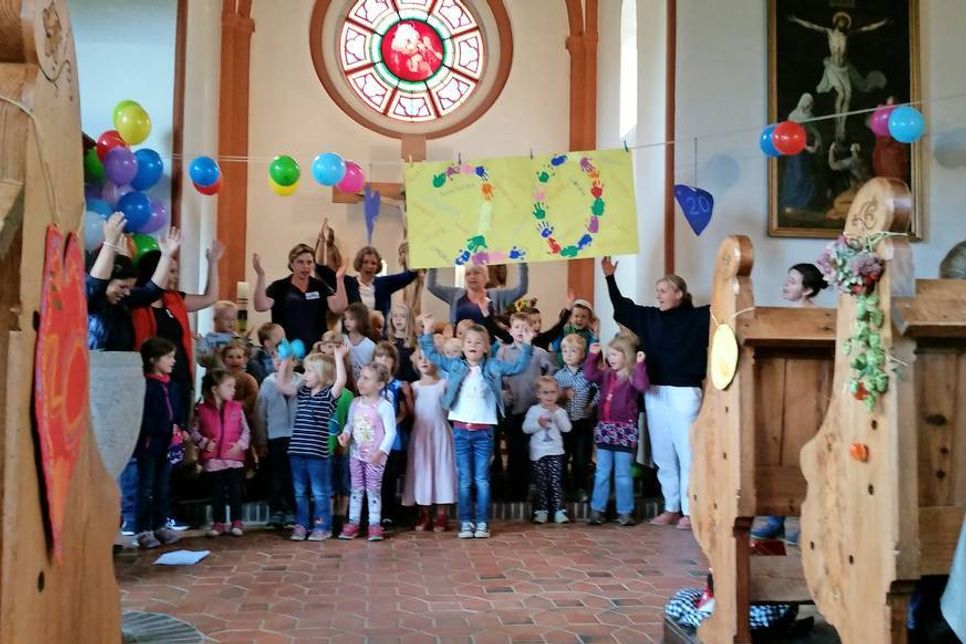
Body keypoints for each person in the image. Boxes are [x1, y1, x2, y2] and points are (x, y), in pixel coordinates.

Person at [602, 256, 710, 531]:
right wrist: (610, 278)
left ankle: (690, 510)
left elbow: (729, 305)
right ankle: (671, 507)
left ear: (679, 294)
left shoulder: (699, 317)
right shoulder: (650, 317)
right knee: (662, 455)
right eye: (657, 290)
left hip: (685, 391)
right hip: (654, 392)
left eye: (663, 290)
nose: (658, 295)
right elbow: (622, 308)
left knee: (687, 453)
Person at [417, 313, 534, 539]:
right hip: (461, 431)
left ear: (486, 347)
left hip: (484, 433)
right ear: (463, 346)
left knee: (481, 479)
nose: (473, 345)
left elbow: (518, 366)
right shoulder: (454, 365)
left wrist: (527, 344)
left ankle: (482, 522)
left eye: (478, 342)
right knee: (465, 479)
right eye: (469, 342)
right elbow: (432, 354)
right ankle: (465, 523)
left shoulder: (492, 367)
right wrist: (427, 332)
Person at [752, 264, 829, 542]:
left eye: (793, 281)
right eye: (786, 279)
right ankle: (776, 520)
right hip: (779, 391)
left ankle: (807, 523)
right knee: (776, 453)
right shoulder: (779, 316)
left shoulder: (820, 318)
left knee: (805, 455)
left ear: (808, 289)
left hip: (810, 392)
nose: (785, 285)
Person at [276, 348, 348, 542]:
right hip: (297, 452)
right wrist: (285, 361)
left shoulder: (328, 396)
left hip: (318, 455)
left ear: (323, 375)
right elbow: (282, 386)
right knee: (299, 492)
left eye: (309, 371)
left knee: (320, 492)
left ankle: (322, 526)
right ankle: (301, 524)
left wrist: (338, 358)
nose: (304, 375)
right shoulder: (303, 392)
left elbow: (340, 381)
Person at [787, 11, 888, 141]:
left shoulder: (848, 34)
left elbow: (866, 28)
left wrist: (882, 23)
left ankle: (842, 124)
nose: (843, 23)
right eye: (841, 21)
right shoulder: (829, 32)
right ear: (837, 22)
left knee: (849, 94)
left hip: (844, 68)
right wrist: (796, 20)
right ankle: (837, 123)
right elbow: (812, 26)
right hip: (833, 68)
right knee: (841, 93)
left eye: (845, 22)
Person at [86, 214, 180, 351]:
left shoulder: (123, 300)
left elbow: (151, 292)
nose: (127, 292)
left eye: (129, 287)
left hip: (123, 365)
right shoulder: (93, 299)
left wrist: (166, 256)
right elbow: (96, 283)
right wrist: (110, 242)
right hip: (98, 366)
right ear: (108, 281)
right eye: (122, 286)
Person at [584, 336, 649, 527]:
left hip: (625, 430)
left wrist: (640, 365)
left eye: (615, 354)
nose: (611, 358)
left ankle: (625, 511)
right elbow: (589, 375)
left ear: (625, 356)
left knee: (623, 473)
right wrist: (592, 356)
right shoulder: (606, 374)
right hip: (605, 428)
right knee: (602, 471)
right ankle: (597, 510)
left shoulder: (631, 376)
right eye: (609, 354)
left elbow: (643, 385)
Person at [498, 312, 556, 498]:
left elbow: (552, 373)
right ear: (510, 330)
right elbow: (496, 377)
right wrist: (502, 392)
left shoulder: (539, 353)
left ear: (533, 330)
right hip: (513, 408)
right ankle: (515, 490)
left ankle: (535, 489)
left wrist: (547, 393)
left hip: (534, 409)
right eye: (517, 327)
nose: (521, 331)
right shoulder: (503, 352)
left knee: (534, 450)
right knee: (515, 450)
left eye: (525, 328)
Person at [133, 337, 184, 549]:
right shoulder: (145, 385)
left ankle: (161, 525)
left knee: (163, 486)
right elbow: (144, 417)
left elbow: (178, 411)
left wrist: (180, 427)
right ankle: (143, 530)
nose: (173, 361)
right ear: (154, 360)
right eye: (169, 357)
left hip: (168, 445)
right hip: (150, 444)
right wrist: (163, 429)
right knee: (146, 488)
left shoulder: (172, 386)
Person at [338, 363, 397, 542]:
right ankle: (354, 522)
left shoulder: (384, 406)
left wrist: (381, 452)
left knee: (373, 490)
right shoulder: (355, 403)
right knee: (356, 488)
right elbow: (350, 424)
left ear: (379, 385)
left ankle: (374, 523)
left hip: (375, 457)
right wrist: (346, 434)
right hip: (356, 455)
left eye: (366, 378)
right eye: (360, 377)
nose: (360, 381)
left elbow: (391, 432)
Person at [190, 368, 250, 537]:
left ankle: (237, 521)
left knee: (235, 491)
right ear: (215, 389)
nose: (234, 390)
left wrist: (240, 445)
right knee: (216, 493)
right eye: (229, 386)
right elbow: (193, 431)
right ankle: (219, 523)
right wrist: (203, 443)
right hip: (213, 461)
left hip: (234, 459)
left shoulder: (237, 408)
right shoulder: (200, 410)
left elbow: (245, 430)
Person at [402, 348, 457, 532]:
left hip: (440, 432)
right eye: (420, 358)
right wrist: (408, 396)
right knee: (422, 472)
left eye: (428, 358)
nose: (424, 361)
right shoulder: (415, 386)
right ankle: (424, 513)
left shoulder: (444, 384)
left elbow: (450, 409)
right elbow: (412, 413)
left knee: (442, 470)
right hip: (421, 435)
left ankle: (442, 513)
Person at [253, 245, 347, 350]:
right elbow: (260, 306)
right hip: (287, 350)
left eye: (309, 262)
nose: (305, 266)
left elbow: (339, 308)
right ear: (292, 264)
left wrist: (340, 280)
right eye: (300, 262)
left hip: (316, 350)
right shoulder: (279, 286)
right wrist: (261, 275)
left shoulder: (319, 286)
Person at [316, 331, 355, 536]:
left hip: (343, 447)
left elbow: (351, 420)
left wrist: (346, 441)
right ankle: (328, 518)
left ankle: (341, 517)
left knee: (344, 482)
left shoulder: (347, 395)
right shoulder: (319, 395)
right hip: (324, 449)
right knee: (328, 484)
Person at [372, 342, 412, 531]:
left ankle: (387, 513)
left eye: (387, 358)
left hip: (392, 440)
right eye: (379, 357)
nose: (383, 361)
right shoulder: (369, 383)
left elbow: (403, 412)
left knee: (388, 478)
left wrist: (391, 425)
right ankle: (372, 514)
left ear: (394, 362)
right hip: (372, 439)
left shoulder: (397, 385)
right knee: (373, 478)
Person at [256, 353, 298, 530]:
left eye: (285, 359)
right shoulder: (267, 383)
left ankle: (292, 511)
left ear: (294, 362)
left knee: (294, 476)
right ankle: (276, 511)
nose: (279, 363)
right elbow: (259, 414)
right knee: (276, 476)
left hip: (297, 437)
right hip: (275, 437)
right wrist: (261, 440)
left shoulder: (302, 382)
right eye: (276, 360)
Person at [523, 376, 572, 524]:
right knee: (541, 483)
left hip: (555, 452)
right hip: (538, 453)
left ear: (557, 394)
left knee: (555, 482)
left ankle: (558, 510)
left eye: (552, 392)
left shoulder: (560, 411)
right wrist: (538, 424)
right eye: (545, 392)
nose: (549, 396)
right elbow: (526, 429)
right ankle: (541, 510)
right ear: (538, 394)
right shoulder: (533, 410)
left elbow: (567, 428)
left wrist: (556, 413)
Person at [554, 333, 598, 502]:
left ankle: (580, 489)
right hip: (563, 423)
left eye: (573, 351)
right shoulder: (559, 375)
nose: (568, 354)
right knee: (563, 456)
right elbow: (551, 396)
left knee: (581, 458)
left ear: (582, 354)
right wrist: (562, 395)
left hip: (582, 422)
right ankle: (563, 489)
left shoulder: (587, 374)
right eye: (565, 351)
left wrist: (591, 405)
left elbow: (600, 389)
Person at [330, 244, 420, 321]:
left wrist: (420, 255)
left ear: (378, 266)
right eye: (366, 262)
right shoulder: (348, 282)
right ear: (359, 263)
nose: (370, 266)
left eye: (374, 263)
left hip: (379, 334)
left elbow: (407, 276)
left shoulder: (385, 283)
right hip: (353, 336)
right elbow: (322, 271)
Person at [427, 263, 529, 325]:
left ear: (486, 277)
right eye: (468, 274)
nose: (472, 277)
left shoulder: (497, 295)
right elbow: (432, 286)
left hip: (489, 348)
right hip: (461, 349)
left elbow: (521, 290)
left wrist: (522, 265)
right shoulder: (455, 294)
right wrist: (432, 266)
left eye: (476, 273)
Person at [196, 301, 241, 368]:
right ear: (215, 320)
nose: (231, 322)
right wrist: (201, 343)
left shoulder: (236, 338)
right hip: (214, 373)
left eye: (233, 319)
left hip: (232, 374)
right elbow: (202, 361)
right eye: (227, 319)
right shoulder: (210, 338)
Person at [343, 302, 376, 381]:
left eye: (351, 319)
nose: (347, 322)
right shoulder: (342, 340)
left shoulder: (370, 346)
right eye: (345, 318)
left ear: (361, 320)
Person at [386, 303, 419, 382]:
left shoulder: (416, 341)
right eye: (395, 316)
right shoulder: (386, 340)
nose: (398, 319)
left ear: (409, 319)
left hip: (411, 382)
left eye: (403, 316)